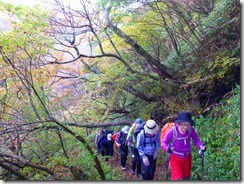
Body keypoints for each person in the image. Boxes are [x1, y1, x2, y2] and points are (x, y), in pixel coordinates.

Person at [161, 112, 206, 180]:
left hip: (187, 157)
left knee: (186, 177)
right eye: (182, 125)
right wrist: (167, 149)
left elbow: (196, 141)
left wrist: (201, 147)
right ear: (178, 124)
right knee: (177, 178)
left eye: (187, 125)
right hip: (175, 158)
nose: (185, 127)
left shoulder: (190, 130)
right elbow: (163, 142)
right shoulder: (173, 131)